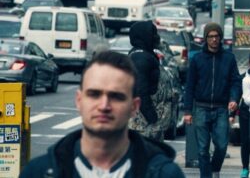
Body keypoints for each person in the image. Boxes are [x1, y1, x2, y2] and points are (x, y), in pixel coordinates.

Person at [20, 51, 185, 177]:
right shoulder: (39, 172)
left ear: (134, 107)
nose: (104, 105)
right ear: (79, 100)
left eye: (116, 96)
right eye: (94, 94)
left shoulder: (164, 174)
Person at [184, 22, 242, 178]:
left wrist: (234, 98)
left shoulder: (229, 58)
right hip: (201, 108)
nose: (214, 39)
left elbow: (236, 81)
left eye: (217, 36)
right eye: (210, 36)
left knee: (222, 145)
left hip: (221, 108)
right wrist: (188, 110)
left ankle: (215, 169)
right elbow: (189, 85)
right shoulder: (197, 59)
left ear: (221, 38)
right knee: (202, 149)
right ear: (205, 39)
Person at [127, 21, 161, 141]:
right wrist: (152, 117)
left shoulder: (142, 54)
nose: (157, 37)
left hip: (144, 121)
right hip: (143, 123)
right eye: (153, 34)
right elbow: (140, 90)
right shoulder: (141, 58)